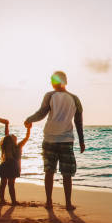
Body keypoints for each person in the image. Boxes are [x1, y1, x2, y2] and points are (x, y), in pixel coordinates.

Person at [24, 71, 84, 211]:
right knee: (67, 174)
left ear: (52, 82)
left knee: (49, 171)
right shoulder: (75, 98)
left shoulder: (50, 95)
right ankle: (68, 204)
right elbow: (78, 122)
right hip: (66, 140)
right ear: (66, 81)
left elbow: (41, 113)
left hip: (50, 138)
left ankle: (49, 202)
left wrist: (29, 119)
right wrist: (81, 141)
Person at [0, 123, 31, 205]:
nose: (14, 136)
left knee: (3, 184)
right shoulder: (18, 146)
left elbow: (6, 134)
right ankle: (13, 201)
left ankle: (2, 200)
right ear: (13, 140)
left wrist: (6, 125)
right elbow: (26, 138)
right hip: (12, 166)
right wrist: (28, 129)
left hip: (5, 165)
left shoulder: (7, 145)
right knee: (10, 185)